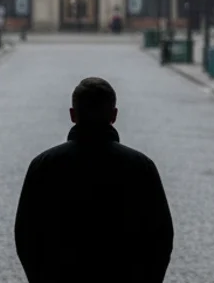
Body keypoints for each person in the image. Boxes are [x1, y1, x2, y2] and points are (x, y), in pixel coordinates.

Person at [14, 77, 174, 283]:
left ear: (73, 115)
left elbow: (26, 235)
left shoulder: (44, 165)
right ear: (114, 115)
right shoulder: (141, 166)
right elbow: (160, 237)